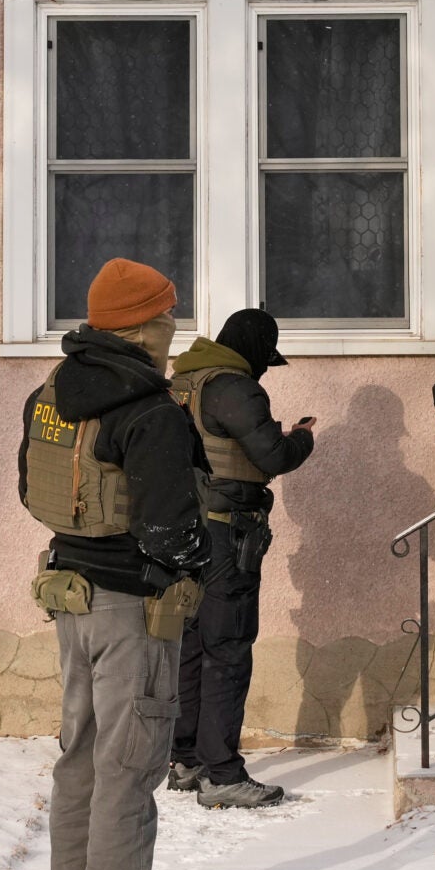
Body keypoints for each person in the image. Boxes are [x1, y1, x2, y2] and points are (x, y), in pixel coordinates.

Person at [18, 258, 209, 870]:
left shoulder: (51, 392)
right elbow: (169, 529)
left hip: (71, 593)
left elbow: (26, 485)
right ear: (141, 326)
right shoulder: (150, 411)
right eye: (167, 316)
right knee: (128, 764)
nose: (173, 328)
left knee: (82, 756)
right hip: (133, 605)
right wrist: (198, 564)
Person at [166, 309, 314, 810]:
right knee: (227, 646)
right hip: (228, 532)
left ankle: (185, 759)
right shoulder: (236, 387)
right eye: (265, 362)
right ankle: (222, 773)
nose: (265, 372)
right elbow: (273, 456)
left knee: (191, 640)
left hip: (187, 526)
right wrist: (303, 436)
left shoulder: (184, 379)